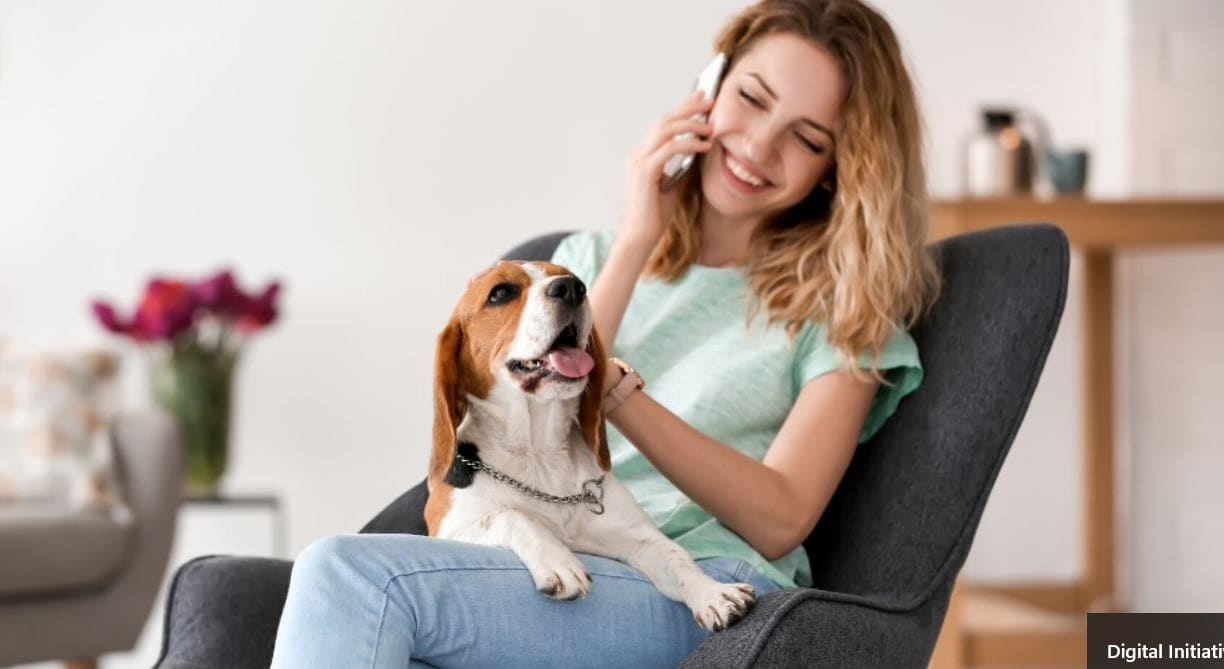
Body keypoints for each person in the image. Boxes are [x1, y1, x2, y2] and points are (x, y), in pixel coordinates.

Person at [270, 0, 941, 666]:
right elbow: (482, 443)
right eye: (752, 98)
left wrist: (620, 395)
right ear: (707, 88)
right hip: (544, 552)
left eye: (808, 138)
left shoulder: (845, 311)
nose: (760, 145)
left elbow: (782, 516)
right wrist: (636, 239)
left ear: (843, 167)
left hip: (699, 583)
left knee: (347, 577)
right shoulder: (581, 264)